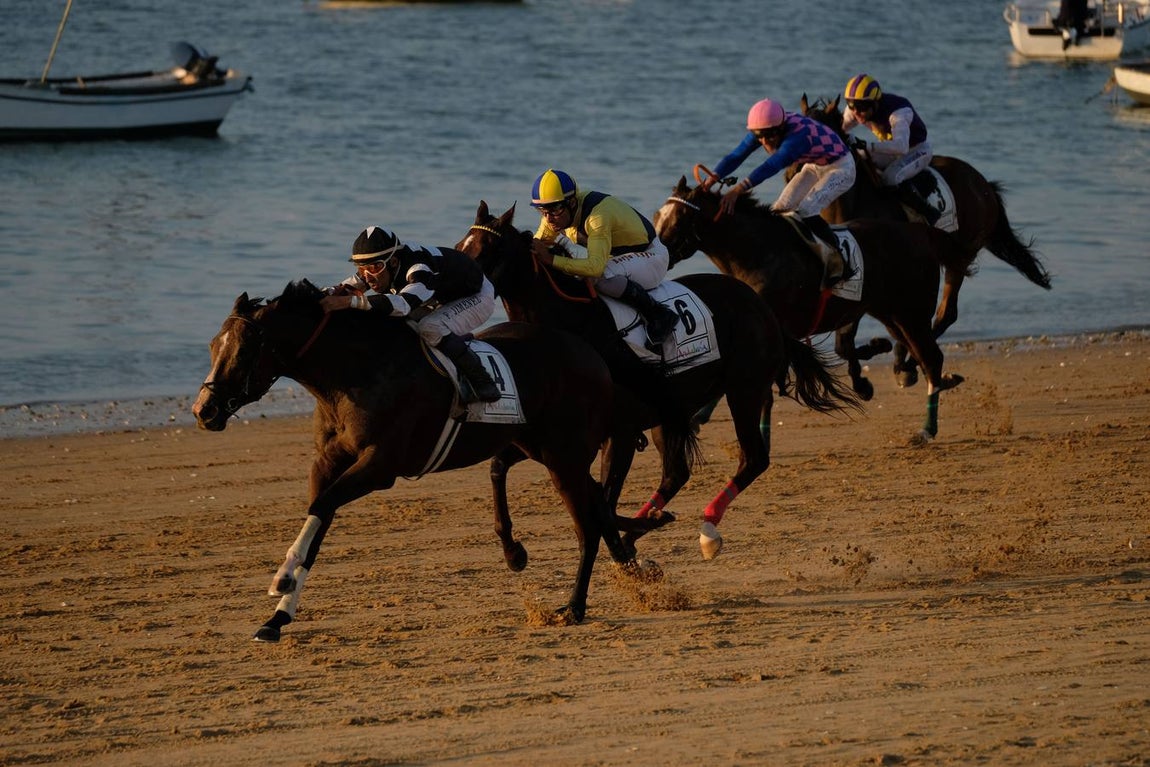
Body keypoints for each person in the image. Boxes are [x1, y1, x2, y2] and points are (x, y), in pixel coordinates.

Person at [320, 225, 501, 403]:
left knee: (430, 327)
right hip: (441, 293)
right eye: (361, 269)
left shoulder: (418, 269)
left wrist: (348, 302)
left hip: (476, 295)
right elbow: (347, 287)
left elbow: (404, 305)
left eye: (374, 268)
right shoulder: (381, 265)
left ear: (393, 262)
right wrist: (324, 294)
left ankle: (482, 382)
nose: (367, 277)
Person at [701, 97, 856, 288]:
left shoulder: (797, 138)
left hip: (841, 168)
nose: (765, 142)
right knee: (779, 209)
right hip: (814, 166)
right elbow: (736, 155)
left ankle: (840, 263)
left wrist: (738, 190)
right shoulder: (766, 127)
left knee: (807, 209)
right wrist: (712, 178)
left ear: (781, 128)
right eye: (760, 137)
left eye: (770, 137)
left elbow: (771, 166)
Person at [529, 168, 679, 344]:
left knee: (599, 276)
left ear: (571, 203)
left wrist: (552, 259)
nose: (548, 219)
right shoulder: (555, 215)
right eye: (542, 211)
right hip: (622, 258)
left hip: (652, 256)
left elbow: (595, 267)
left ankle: (659, 314)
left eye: (554, 210)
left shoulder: (597, 216)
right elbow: (535, 248)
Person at [841, 74, 940, 225]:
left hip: (916, 150)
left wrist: (865, 144)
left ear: (874, 104)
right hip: (890, 148)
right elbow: (838, 130)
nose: (856, 113)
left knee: (891, 177)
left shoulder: (898, 113)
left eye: (861, 108)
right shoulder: (855, 110)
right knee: (858, 158)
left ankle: (926, 211)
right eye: (851, 105)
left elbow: (901, 147)